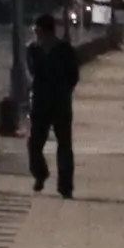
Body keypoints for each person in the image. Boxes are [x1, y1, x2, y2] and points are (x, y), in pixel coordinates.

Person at [24, 16, 84, 197]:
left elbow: (74, 75)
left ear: (47, 31)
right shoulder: (32, 49)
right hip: (39, 101)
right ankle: (40, 173)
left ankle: (65, 186)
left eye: (38, 31)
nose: (36, 34)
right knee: (34, 143)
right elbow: (31, 73)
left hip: (60, 101)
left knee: (64, 144)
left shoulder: (65, 50)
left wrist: (64, 90)